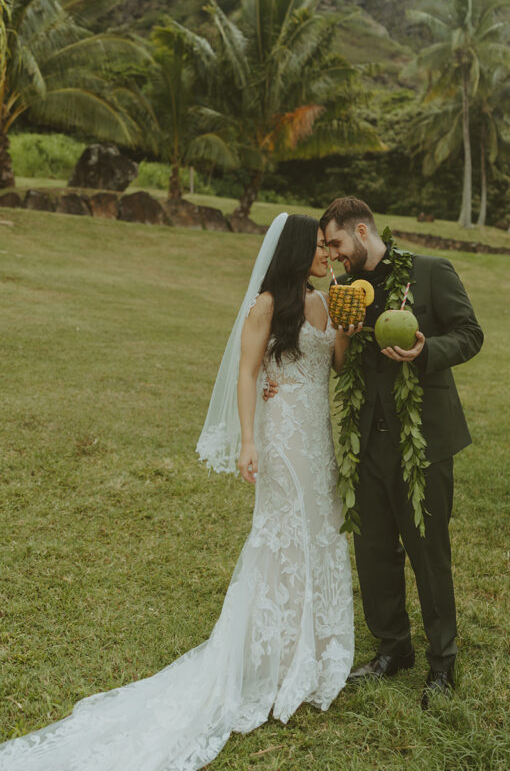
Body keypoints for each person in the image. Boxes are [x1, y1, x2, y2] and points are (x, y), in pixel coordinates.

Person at [0, 213, 354, 771]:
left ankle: (314, 647)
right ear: (292, 252)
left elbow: (333, 362)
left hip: (318, 436)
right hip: (283, 436)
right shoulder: (265, 306)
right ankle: (277, 654)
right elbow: (245, 374)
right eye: (317, 247)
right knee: (283, 537)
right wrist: (247, 440)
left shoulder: (326, 301)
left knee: (321, 529)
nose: (327, 254)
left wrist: (348, 329)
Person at [321, 196, 483, 708]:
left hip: (424, 441)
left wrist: (425, 351)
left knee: (428, 553)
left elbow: (470, 334)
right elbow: (341, 363)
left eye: (337, 244)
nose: (332, 255)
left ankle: (442, 662)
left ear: (363, 231)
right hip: (365, 440)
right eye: (326, 247)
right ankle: (393, 650)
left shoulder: (431, 272)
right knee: (372, 552)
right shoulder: (344, 290)